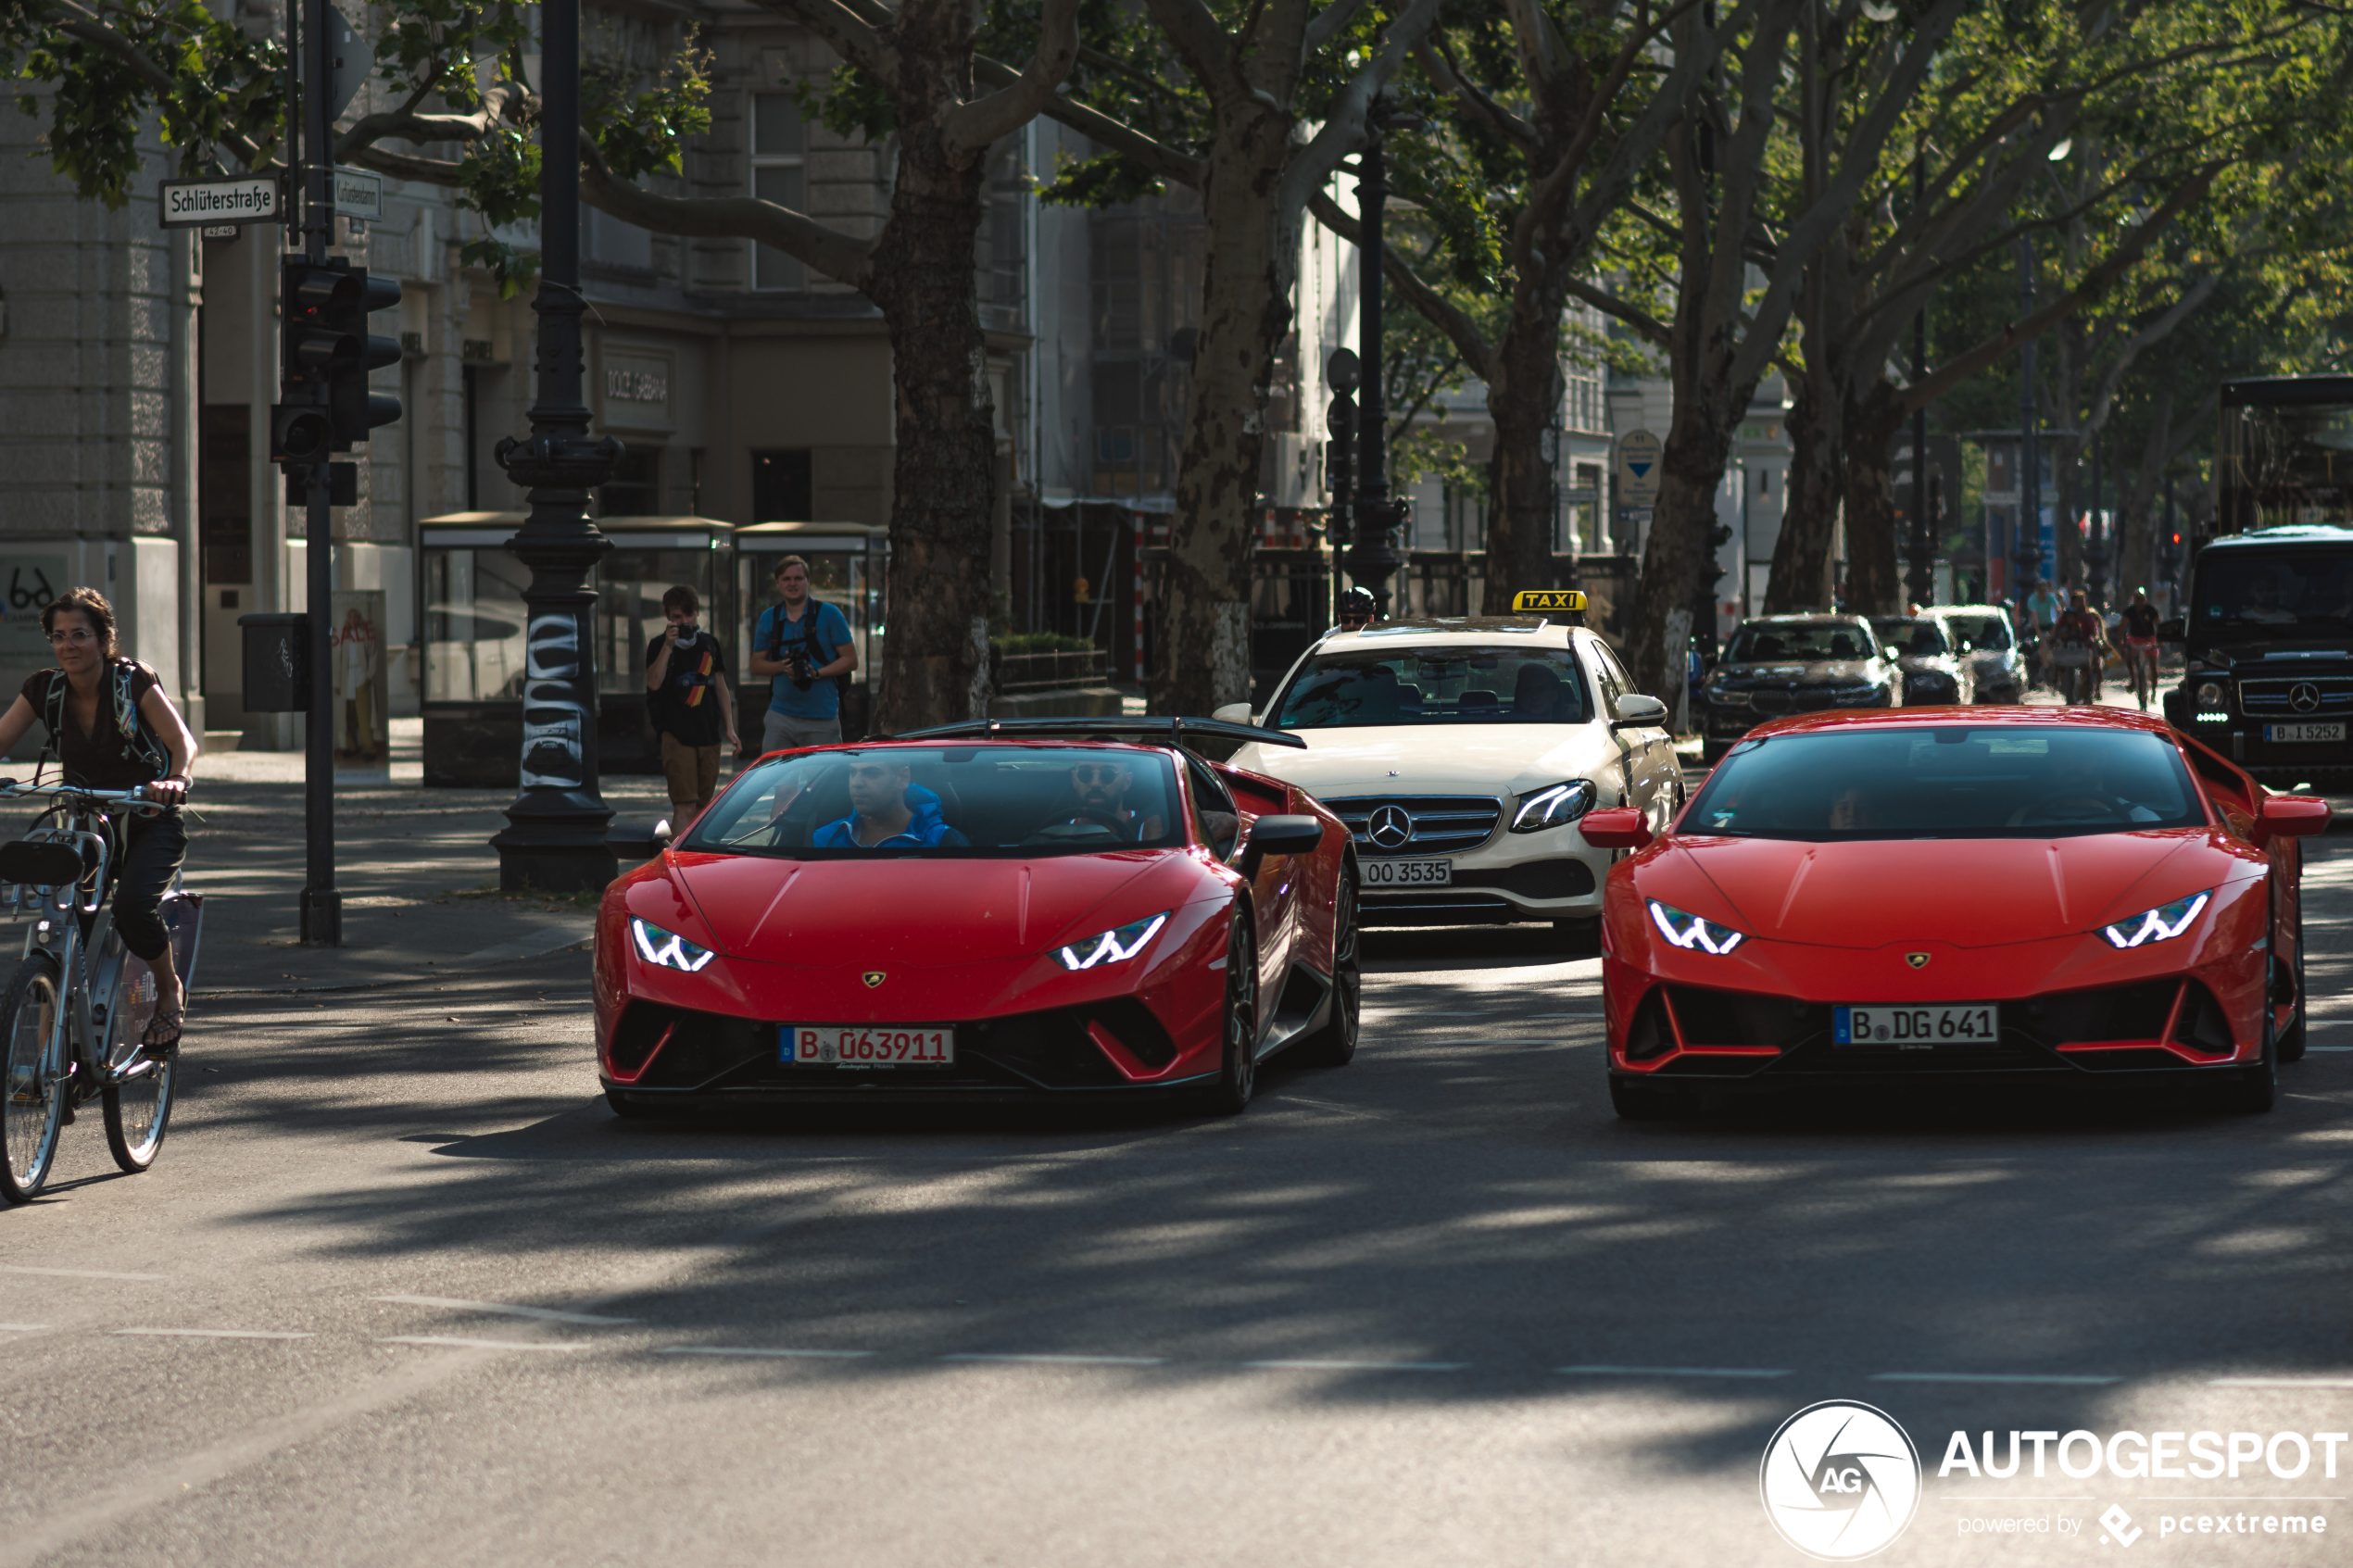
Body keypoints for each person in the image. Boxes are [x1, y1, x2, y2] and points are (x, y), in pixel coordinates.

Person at [0, 589, 196, 1059]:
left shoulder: (132, 682)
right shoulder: (44, 690)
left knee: (131, 907)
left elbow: (181, 741)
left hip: (150, 822)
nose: (69, 646)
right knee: (60, 928)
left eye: (80, 635)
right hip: (87, 826)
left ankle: (169, 990)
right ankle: (52, 1063)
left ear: (104, 638)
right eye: (59, 636)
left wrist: (175, 779)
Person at [644, 585, 738, 830]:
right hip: (677, 735)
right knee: (684, 806)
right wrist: (668, 646)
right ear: (668, 617)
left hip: (709, 735)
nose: (684, 622)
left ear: (697, 613)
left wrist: (729, 727)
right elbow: (653, 683)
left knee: (703, 809)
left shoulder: (710, 644)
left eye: (689, 615)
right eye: (677, 617)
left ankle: (693, 861)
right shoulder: (659, 645)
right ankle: (677, 864)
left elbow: (720, 687)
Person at [749, 556, 857, 752]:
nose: (792, 584)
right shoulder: (769, 618)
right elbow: (756, 665)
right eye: (786, 579)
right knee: (775, 781)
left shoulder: (829, 614)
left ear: (808, 581)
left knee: (823, 782)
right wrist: (783, 666)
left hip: (822, 719)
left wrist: (816, 673)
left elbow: (851, 660)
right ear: (778, 584)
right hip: (780, 716)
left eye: (798, 578)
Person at [812, 758, 968, 847]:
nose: (856, 783)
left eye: (871, 773)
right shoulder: (825, 837)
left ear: (902, 778)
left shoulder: (944, 841)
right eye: (852, 772)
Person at [1050, 756, 1166, 841]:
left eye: (1108, 774)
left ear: (1127, 781)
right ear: (1074, 780)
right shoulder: (1056, 834)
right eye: (1085, 773)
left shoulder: (1150, 828)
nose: (1095, 783)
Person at [2053, 590, 2109, 703]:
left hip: (2086, 646)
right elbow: (2057, 628)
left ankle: (2094, 689)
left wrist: (2095, 639)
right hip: (2069, 648)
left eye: (2083, 601)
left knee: (2095, 665)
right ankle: (2056, 683)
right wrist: (2053, 638)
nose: (2082, 604)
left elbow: (2094, 632)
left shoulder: (2088, 616)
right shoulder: (2067, 615)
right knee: (2057, 662)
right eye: (2079, 601)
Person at [2119, 586, 2161, 707]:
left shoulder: (2152, 610)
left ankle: (2153, 690)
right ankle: (2133, 679)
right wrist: (2121, 641)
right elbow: (2122, 626)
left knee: (2153, 664)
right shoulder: (2129, 611)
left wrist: (2160, 640)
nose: (2139, 602)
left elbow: (2158, 625)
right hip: (2135, 639)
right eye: (2136, 599)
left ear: (2145, 599)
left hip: (2150, 639)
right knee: (2129, 656)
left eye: (2141, 599)